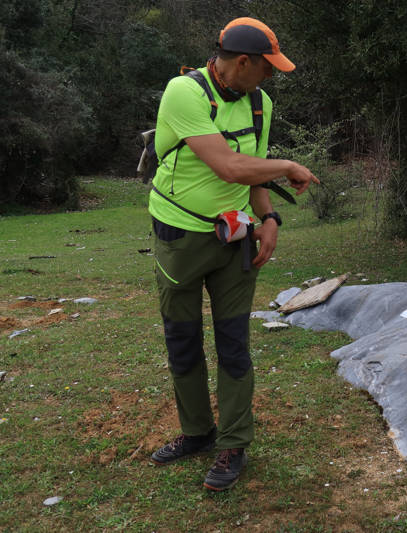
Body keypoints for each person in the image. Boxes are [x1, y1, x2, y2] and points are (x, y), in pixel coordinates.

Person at [147, 17, 318, 491]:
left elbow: (252, 174)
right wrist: (286, 165)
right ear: (243, 62)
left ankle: (234, 444)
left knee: (233, 342)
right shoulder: (184, 92)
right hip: (179, 236)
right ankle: (197, 433)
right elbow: (228, 163)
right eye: (267, 70)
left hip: (235, 237)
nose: (270, 79)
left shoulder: (260, 103)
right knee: (182, 339)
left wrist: (268, 220)